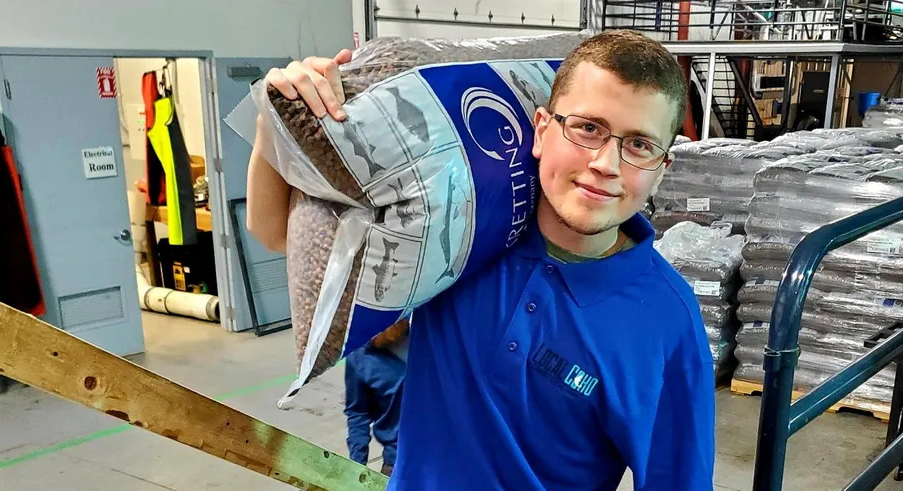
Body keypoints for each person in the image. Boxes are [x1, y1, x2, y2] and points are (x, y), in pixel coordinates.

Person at [248, 29, 715, 490]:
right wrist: (278, 117)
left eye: (639, 145)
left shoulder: (665, 321)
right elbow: (272, 233)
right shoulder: (459, 231)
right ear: (541, 130)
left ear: (661, 170)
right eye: (588, 128)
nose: (606, 164)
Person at [343, 321, 409, 477]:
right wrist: (356, 467)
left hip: (443, 454)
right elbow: (358, 413)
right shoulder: (360, 357)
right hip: (398, 462)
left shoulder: (427, 336)